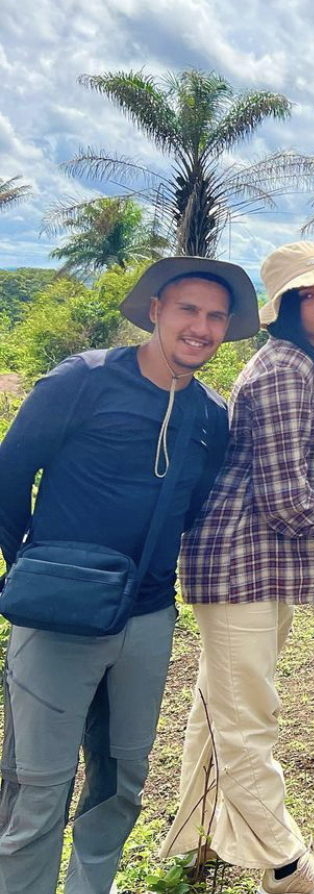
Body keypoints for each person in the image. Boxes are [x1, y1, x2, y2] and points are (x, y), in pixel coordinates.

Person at [0, 257, 258, 894]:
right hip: (58, 617)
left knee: (122, 781)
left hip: (146, 618)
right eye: (187, 310)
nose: (200, 327)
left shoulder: (208, 417)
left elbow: (194, 505)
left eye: (215, 316)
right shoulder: (83, 381)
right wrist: (29, 570)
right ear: (156, 311)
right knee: (37, 789)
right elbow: (10, 471)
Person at [158, 242, 314, 894]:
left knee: (220, 706)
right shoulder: (278, 373)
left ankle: (193, 839)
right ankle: (288, 869)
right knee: (248, 721)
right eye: (307, 293)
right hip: (238, 558)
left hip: (269, 562)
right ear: (283, 309)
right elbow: (284, 497)